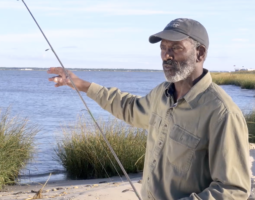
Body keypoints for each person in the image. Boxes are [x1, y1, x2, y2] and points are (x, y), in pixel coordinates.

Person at [48, 18, 251, 200]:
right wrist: (81, 84)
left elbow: (233, 189)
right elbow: (129, 107)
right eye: (163, 48)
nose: (166, 56)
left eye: (176, 48)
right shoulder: (161, 93)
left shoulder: (222, 113)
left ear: (200, 53)